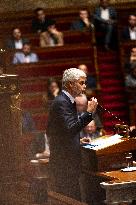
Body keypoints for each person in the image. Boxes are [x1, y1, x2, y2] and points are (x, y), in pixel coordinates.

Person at [47, 68, 98, 201]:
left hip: (66, 162)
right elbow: (70, 128)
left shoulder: (67, 101)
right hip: (64, 164)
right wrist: (89, 113)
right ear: (70, 84)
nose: (85, 86)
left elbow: (62, 132)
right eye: (81, 83)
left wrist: (77, 141)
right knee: (70, 199)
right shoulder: (61, 102)